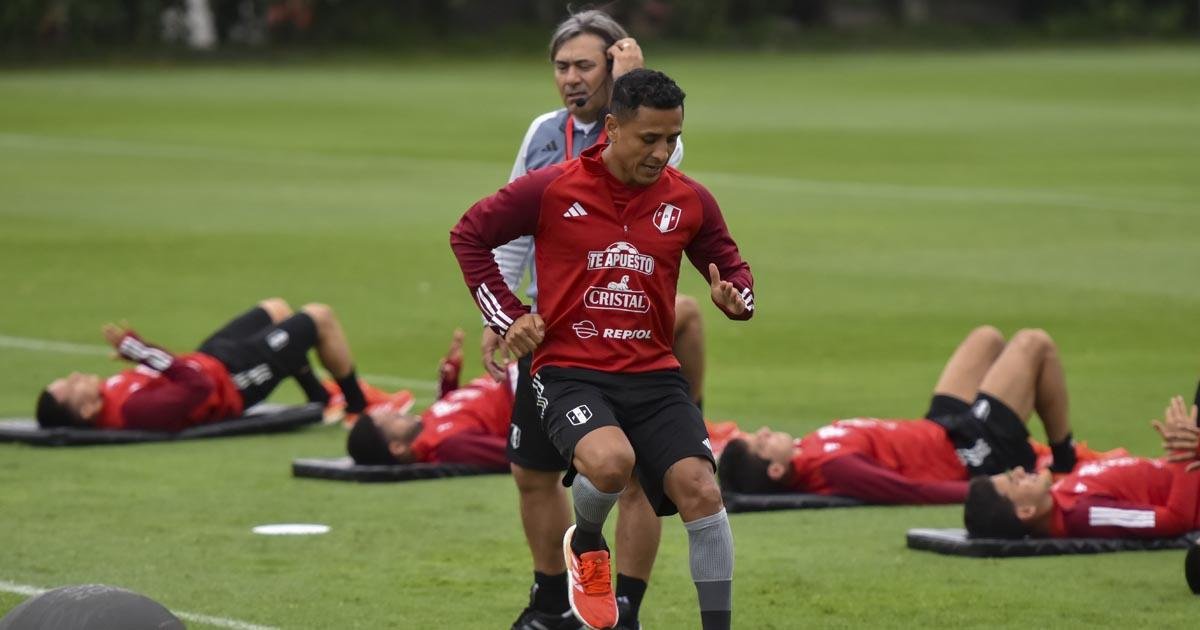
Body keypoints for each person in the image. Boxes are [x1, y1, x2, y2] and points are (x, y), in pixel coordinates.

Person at [451, 69, 753, 630]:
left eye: (672, 138)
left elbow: (729, 264)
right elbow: (469, 235)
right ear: (611, 128)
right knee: (612, 465)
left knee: (703, 492)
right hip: (572, 371)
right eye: (649, 139)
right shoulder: (552, 188)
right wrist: (508, 315)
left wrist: (738, 297)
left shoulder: (689, 199)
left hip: (656, 376)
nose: (663, 152)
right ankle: (587, 543)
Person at [484, 10, 687, 630]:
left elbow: (675, 174)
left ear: (616, 64)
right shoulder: (543, 131)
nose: (571, 79)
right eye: (561, 66)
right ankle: (550, 602)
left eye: (586, 66)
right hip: (548, 335)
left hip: (623, 332)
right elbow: (511, 223)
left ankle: (622, 609)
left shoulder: (647, 133)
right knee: (532, 472)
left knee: (632, 476)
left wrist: (637, 83)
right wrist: (501, 308)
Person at [719, 327, 1118, 504]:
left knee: (987, 338)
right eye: (762, 441)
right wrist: (985, 488)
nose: (767, 430)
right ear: (775, 470)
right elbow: (908, 492)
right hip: (973, 452)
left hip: (940, 428)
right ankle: (1066, 462)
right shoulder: (836, 468)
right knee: (1034, 344)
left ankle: (1057, 453)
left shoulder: (811, 450)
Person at [352, 297, 708, 479]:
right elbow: (513, 449)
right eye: (389, 422)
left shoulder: (432, 426)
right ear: (398, 448)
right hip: (540, 382)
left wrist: (448, 380)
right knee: (684, 312)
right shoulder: (444, 444)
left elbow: (459, 412)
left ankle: (686, 419)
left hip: (528, 370)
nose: (395, 413)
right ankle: (689, 422)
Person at [35, 298, 367, 432]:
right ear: (86, 410)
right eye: (72, 386)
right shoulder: (135, 411)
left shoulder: (110, 394)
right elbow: (197, 387)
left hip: (212, 358)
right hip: (233, 381)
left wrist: (144, 354)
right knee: (319, 317)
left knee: (276, 309)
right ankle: (357, 407)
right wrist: (141, 351)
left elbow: (175, 371)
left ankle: (320, 400)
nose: (76, 375)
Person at [964, 393, 1200, 539]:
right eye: (1015, 482)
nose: (1018, 471)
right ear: (1026, 512)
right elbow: (1174, 520)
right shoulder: (1081, 514)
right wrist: (1185, 450)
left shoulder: (1059, 491)